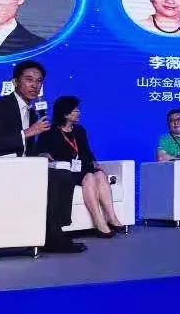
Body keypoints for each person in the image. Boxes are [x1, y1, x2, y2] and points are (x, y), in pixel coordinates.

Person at [0, 60, 85, 253]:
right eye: (29, 79)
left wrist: (40, 154)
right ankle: (53, 236)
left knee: (63, 174)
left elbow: (25, 150)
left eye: (39, 81)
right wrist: (28, 132)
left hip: (21, 167)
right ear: (15, 82)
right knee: (56, 177)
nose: (34, 85)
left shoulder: (33, 113)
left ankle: (55, 231)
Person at [36, 96, 124, 238]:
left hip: (82, 167)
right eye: (75, 110)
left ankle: (112, 218)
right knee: (89, 177)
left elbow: (86, 152)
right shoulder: (50, 131)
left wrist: (95, 163)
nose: (78, 113)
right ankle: (99, 222)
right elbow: (39, 151)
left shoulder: (79, 130)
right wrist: (44, 155)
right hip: (65, 171)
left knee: (99, 174)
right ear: (66, 114)